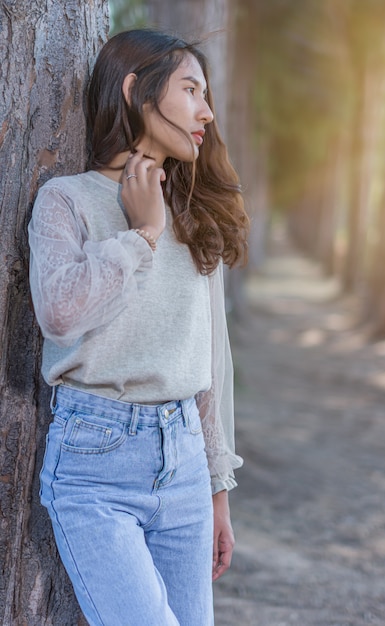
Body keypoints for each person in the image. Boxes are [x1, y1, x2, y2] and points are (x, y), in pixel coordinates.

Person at [28, 28, 249, 626]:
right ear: (136, 91)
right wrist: (142, 235)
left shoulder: (195, 212)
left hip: (183, 463)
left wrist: (216, 490)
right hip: (93, 463)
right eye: (190, 89)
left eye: (207, 95)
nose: (206, 111)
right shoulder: (65, 200)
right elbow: (60, 314)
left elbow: (209, 361)